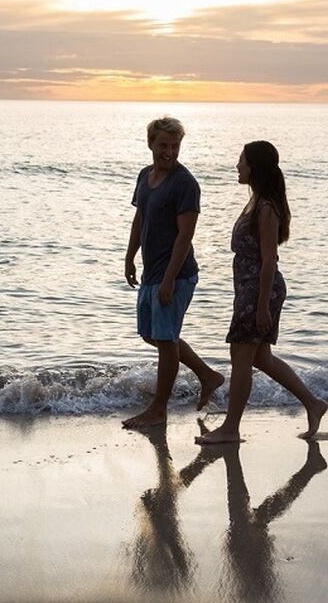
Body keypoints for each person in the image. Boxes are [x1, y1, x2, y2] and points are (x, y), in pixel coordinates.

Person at [196, 140, 327, 444]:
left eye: (241, 160)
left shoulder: (266, 207)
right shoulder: (256, 201)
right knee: (261, 358)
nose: (237, 165)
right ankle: (313, 403)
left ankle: (231, 428)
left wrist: (261, 306)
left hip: (259, 291)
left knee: (240, 357)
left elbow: (269, 259)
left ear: (255, 166)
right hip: (250, 289)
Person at [123, 117, 224, 429]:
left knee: (166, 341)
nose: (169, 152)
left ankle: (158, 410)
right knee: (152, 335)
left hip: (176, 275)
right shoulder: (144, 176)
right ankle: (208, 375)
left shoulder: (185, 183)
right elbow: (141, 218)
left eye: (175, 146)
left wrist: (169, 279)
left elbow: (185, 237)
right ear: (151, 143)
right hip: (152, 272)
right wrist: (130, 256)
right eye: (163, 145)